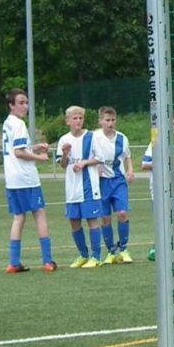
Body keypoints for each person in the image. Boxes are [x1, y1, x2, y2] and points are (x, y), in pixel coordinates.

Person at [1, 88, 56, 273]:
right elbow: (19, 152)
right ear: (11, 105)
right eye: (21, 103)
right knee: (39, 213)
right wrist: (40, 157)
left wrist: (35, 146)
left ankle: (13, 263)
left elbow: (18, 148)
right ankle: (47, 261)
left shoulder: (8, 123)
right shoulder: (19, 124)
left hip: (12, 179)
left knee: (18, 218)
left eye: (26, 102)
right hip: (26, 178)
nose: (25, 106)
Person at [57, 105, 104, 269]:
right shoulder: (64, 140)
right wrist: (65, 154)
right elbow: (63, 165)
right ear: (67, 121)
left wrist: (84, 163)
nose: (78, 121)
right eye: (75, 118)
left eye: (80, 118)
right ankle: (83, 255)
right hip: (72, 188)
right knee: (74, 222)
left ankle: (96, 256)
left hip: (89, 186)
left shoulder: (92, 137)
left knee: (92, 220)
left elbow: (100, 158)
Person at [142, 119, 174, 261]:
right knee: (164, 221)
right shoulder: (155, 142)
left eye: (173, 125)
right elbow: (144, 165)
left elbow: (168, 168)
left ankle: (164, 247)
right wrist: (164, 161)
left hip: (173, 189)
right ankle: (156, 249)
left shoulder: (170, 144)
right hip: (160, 191)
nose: (172, 127)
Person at [93, 106, 135, 265]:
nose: (110, 123)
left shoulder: (122, 138)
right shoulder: (94, 137)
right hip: (102, 182)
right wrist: (95, 168)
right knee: (105, 218)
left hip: (118, 180)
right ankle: (111, 251)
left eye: (112, 120)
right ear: (100, 121)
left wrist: (130, 170)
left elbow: (127, 156)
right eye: (107, 120)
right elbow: (89, 155)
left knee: (122, 213)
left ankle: (123, 249)